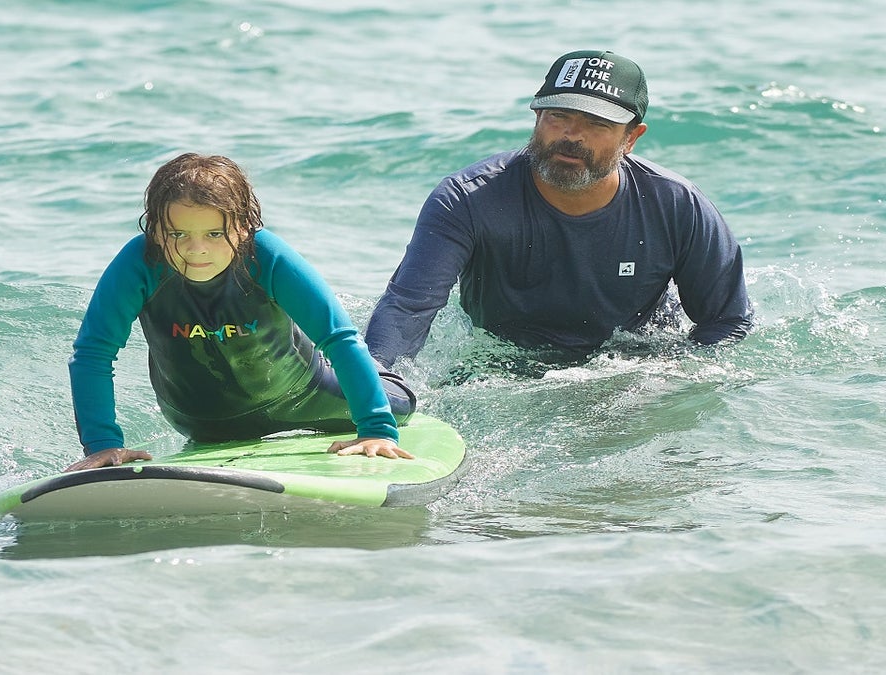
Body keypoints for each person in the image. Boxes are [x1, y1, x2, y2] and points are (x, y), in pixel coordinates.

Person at [365, 49, 753, 370]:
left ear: (632, 138)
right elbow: (408, 306)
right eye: (558, 116)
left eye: (596, 123)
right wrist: (374, 388)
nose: (571, 136)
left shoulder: (676, 204)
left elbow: (728, 321)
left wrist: (668, 380)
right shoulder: (467, 200)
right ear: (537, 118)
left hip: (637, 364)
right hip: (504, 363)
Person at [65, 153, 415, 472]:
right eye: (178, 234)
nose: (196, 249)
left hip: (304, 397)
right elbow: (93, 353)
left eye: (215, 233)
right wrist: (103, 445)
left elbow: (338, 338)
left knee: (401, 407)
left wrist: (375, 429)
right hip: (202, 420)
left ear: (244, 227)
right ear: (155, 231)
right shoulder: (138, 264)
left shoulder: (265, 256)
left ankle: (381, 376)